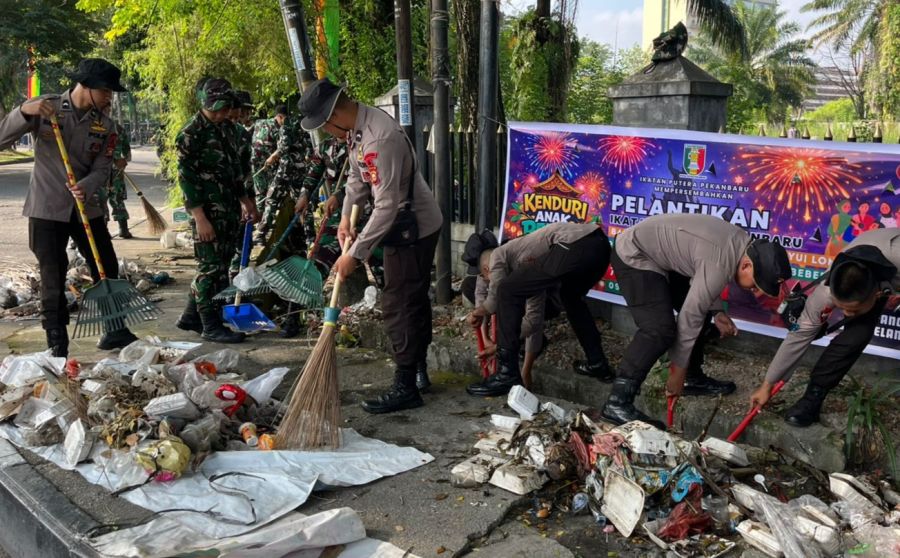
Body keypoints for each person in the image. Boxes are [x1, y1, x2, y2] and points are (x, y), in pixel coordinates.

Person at [298, 78, 443, 414]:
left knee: (399, 303)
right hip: (402, 224)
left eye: (324, 127)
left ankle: (406, 384)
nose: (329, 134)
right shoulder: (358, 129)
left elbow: (387, 206)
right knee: (412, 299)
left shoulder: (380, 137)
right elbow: (356, 177)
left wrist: (354, 254)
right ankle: (418, 370)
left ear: (334, 115)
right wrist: (349, 217)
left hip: (413, 229)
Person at [0, 58, 140, 356]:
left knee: (107, 267)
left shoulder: (106, 125)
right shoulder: (46, 107)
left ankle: (114, 329)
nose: (109, 97)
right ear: (86, 86)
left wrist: (86, 185)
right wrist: (24, 111)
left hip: (86, 208)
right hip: (46, 209)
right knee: (53, 275)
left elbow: (104, 168)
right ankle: (57, 345)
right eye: (106, 91)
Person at [601, 214, 791, 428]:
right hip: (636, 253)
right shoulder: (721, 260)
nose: (754, 291)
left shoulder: (740, 247)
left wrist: (718, 311)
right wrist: (676, 372)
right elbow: (691, 314)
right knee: (659, 329)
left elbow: (706, 276)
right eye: (755, 285)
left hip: (664, 258)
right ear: (746, 266)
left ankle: (692, 377)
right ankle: (617, 402)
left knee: (702, 311)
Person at [750, 229, 899, 426]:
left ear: (877, 294)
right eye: (842, 308)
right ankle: (813, 397)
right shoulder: (828, 290)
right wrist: (767, 385)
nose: (846, 314)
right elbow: (800, 334)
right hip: (873, 269)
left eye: (852, 310)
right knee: (857, 333)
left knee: (860, 325)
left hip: (893, 261)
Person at [465, 222, 612, 396]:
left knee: (507, 290)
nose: (486, 281)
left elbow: (494, 300)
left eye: (484, 276)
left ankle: (507, 374)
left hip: (574, 244)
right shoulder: (527, 267)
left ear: (486, 269)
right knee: (571, 299)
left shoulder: (499, 254)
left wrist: (478, 314)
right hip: (600, 246)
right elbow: (534, 321)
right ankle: (598, 363)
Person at [174, 77, 259, 343]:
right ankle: (210, 326)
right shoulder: (191, 134)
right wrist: (199, 218)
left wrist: (246, 201)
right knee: (210, 268)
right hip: (207, 213)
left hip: (228, 209)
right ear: (206, 104)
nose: (224, 113)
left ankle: (191, 317)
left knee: (220, 266)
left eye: (226, 108)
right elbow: (186, 179)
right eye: (218, 108)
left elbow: (235, 170)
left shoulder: (226, 129)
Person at [256, 108, 313, 244]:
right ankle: (310, 237)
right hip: (300, 169)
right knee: (302, 202)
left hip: (286, 169)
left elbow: (283, 147)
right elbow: (309, 145)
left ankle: (261, 233)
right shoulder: (302, 124)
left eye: (277, 120)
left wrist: (272, 157)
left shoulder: (286, 125)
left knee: (272, 197)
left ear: (280, 117)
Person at [251, 104, 286, 211]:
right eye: (285, 119)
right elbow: (283, 147)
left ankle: (263, 216)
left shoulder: (259, 122)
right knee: (267, 193)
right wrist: (274, 156)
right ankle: (263, 217)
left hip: (259, 163)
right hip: (264, 165)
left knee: (263, 193)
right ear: (280, 117)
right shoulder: (278, 129)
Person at [107, 119, 132, 238]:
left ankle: (103, 232)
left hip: (100, 170)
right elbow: (127, 153)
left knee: (99, 202)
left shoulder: (93, 125)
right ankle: (123, 229)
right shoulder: (119, 127)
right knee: (117, 199)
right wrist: (123, 161)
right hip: (115, 169)